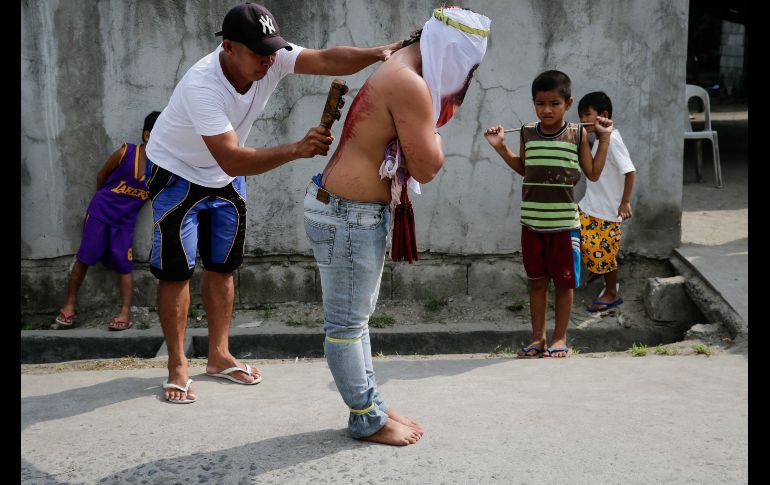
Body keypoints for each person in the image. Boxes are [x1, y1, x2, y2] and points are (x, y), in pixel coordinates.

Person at [145, 2, 402, 404]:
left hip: (226, 179)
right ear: (229, 48)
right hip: (178, 175)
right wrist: (298, 149)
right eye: (258, 53)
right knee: (176, 273)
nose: (270, 61)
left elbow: (326, 59)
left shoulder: (272, 58)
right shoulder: (202, 85)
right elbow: (231, 156)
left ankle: (218, 355)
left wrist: (377, 53)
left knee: (223, 266)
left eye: (273, 51)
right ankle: (177, 363)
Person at [304, 6, 490, 445]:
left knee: (356, 320)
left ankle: (371, 404)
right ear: (450, 51)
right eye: (468, 64)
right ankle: (366, 418)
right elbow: (426, 167)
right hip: (348, 214)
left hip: (348, 210)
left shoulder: (401, 67)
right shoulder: (408, 84)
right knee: (347, 324)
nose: (466, 75)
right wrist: (437, 137)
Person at [483, 70, 613, 359]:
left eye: (554, 103)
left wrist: (603, 139)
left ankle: (559, 338)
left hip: (565, 227)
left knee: (565, 283)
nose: (546, 110)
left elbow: (592, 173)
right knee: (537, 282)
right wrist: (501, 148)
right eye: (540, 104)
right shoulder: (528, 132)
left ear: (568, 104)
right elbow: (524, 169)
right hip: (532, 225)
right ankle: (538, 338)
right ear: (534, 104)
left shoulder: (578, 134)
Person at [53, 111, 160, 331]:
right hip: (101, 213)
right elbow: (101, 176)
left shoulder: (162, 168)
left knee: (124, 264)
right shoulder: (126, 152)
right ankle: (70, 305)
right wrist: (105, 204)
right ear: (148, 136)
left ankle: (124, 312)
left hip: (125, 222)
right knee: (85, 257)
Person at [576, 92, 636, 312]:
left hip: (607, 211)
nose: (583, 121)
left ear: (603, 115)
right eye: (580, 116)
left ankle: (611, 292)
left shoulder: (614, 141)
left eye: (586, 115)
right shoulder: (601, 140)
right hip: (590, 205)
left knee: (606, 255)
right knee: (578, 241)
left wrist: (625, 203)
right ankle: (596, 269)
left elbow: (630, 172)